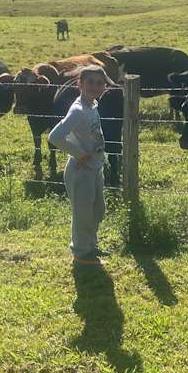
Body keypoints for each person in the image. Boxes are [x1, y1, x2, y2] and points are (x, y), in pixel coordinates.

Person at [48, 65, 109, 265]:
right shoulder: (78, 110)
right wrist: (79, 154)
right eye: (90, 82)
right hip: (81, 169)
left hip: (94, 166)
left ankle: (91, 245)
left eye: (99, 83)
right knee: (83, 212)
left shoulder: (92, 105)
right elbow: (55, 137)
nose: (94, 86)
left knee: (96, 209)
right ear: (79, 83)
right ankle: (81, 253)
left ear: (104, 87)